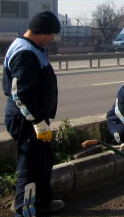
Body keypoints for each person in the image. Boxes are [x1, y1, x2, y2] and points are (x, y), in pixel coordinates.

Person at [2, 11, 65, 216]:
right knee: (29, 167)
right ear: (41, 32)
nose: (52, 38)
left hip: (34, 117)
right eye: (51, 34)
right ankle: (24, 210)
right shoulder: (25, 53)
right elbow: (21, 93)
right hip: (26, 119)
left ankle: (43, 202)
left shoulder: (33, 48)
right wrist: (37, 121)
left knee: (43, 161)